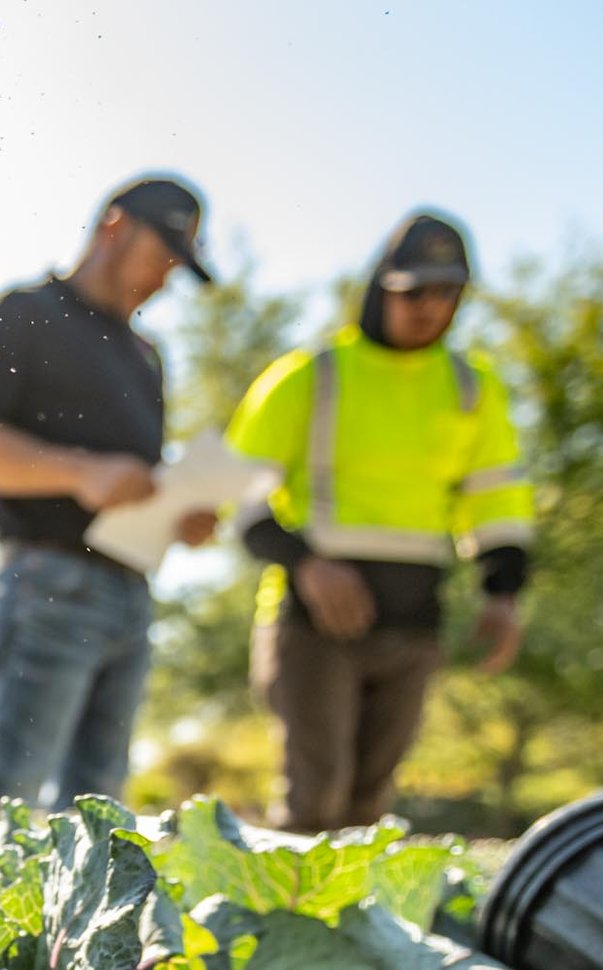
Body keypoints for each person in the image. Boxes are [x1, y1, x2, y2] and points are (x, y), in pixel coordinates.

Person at [227, 211, 534, 833]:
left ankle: (345, 932)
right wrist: (308, 566)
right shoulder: (311, 376)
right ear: (381, 289)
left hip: (414, 627)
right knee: (315, 803)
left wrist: (503, 596)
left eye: (446, 293)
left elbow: (497, 500)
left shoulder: (473, 389)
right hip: (314, 626)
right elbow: (238, 496)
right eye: (413, 291)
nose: (429, 307)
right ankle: (276, 925)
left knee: (369, 813)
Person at [0, 178, 216, 810]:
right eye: (163, 253)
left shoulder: (147, 356)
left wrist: (179, 515)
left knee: (99, 811)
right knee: (8, 794)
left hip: (131, 596)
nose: (167, 276)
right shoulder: (24, 315)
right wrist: (81, 472)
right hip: (48, 586)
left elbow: (136, 478)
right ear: (114, 228)